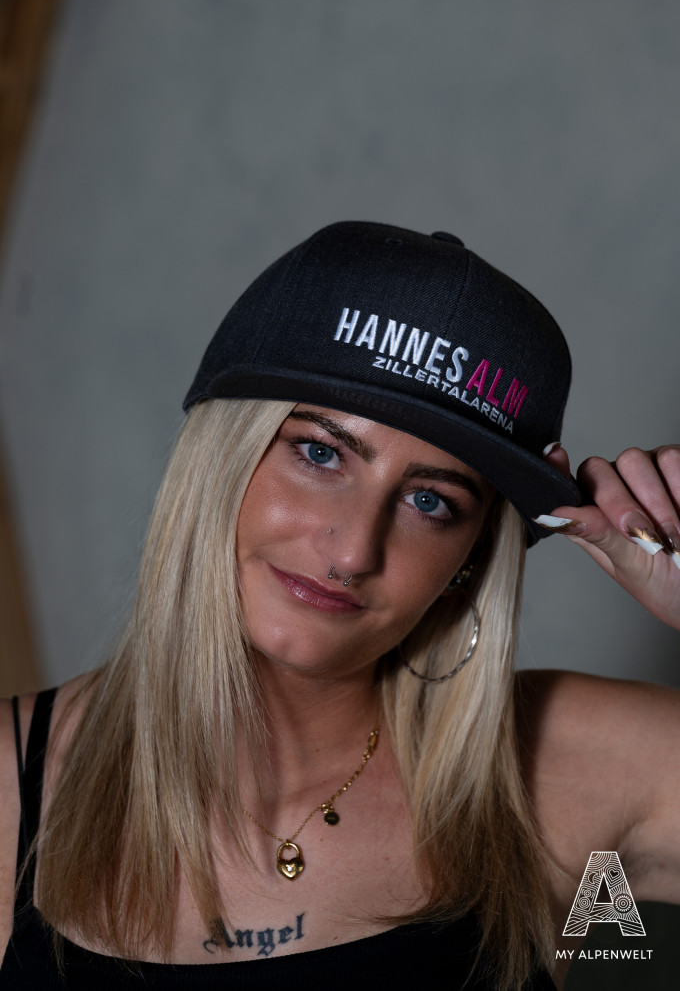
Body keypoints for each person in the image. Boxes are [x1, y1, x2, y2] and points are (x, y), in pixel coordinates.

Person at [0, 221, 678, 990]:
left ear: (469, 560)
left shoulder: (562, 767)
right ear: (221, 456)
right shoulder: (11, 788)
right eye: (320, 453)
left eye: (430, 500)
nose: (354, 551)